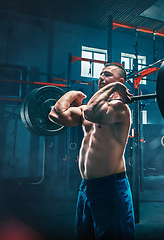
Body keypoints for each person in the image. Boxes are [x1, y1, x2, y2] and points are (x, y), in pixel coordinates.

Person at [48, 63, 135, 240]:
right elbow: (56, 115)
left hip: (110, 187)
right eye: (101, 75)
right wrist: (73, 94)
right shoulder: (87, 109)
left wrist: (115, 88)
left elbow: (93, 112)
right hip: (87, 187)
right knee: (85, 235)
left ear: (121, 82)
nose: (101, 78)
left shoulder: (120, 109)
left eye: (108, 75)